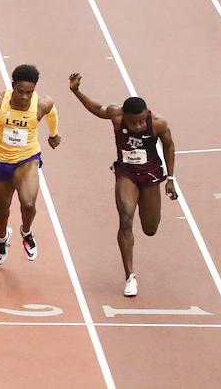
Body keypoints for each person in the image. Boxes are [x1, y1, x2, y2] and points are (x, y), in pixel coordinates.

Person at [69, 73, 176, 297]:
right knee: (125, 218)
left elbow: (169, 146)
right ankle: (130, 276)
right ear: (123, 116)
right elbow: (97, 108)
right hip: (126, 172)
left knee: (150, 229)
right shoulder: (115, 114)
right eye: (132, 122)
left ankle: (133, 265)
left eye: (140, 121)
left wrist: (171, 179)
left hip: (150, 174)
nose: (137, 126)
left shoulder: (157, 122)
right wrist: (76, 91)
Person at [0, 64, 61, 265]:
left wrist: (54, 134)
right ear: (13, 86)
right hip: (1, 161)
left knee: (28, 203)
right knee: (1, 207)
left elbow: (52, 114)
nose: (25, 97)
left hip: (28, 158)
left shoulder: (42, 104)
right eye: (21, 92)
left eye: (30, 92)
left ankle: (26, 232)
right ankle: (2, 238)